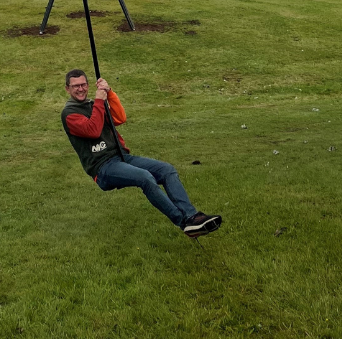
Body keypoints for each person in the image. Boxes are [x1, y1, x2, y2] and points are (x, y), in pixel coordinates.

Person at [61, 68, 222, 239]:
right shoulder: (69, 113)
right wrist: (100, 102)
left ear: (88, 84)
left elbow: (119, 118)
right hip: (102, 168)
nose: (81, 89)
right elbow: (92, 130)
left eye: (84, 84)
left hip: (122, 158)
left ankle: (192, 216)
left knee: (167, 170)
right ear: (68, 89)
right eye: (76, 86)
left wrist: (109, 93)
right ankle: (184, 223)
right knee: (145, 177)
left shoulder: (94, 105)